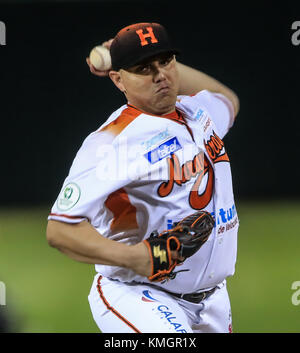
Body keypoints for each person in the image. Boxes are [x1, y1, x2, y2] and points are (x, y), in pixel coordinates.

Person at [46, 22, 240, 333]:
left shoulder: (197, 112)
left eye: (166, 61)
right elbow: (60, 229)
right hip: (139, 294)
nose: (160, 74)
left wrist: (147, 60)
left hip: (214, 301)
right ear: (117, 79)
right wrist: (134, 257)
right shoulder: (111, 141)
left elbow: (225, 98)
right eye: (144, 67)